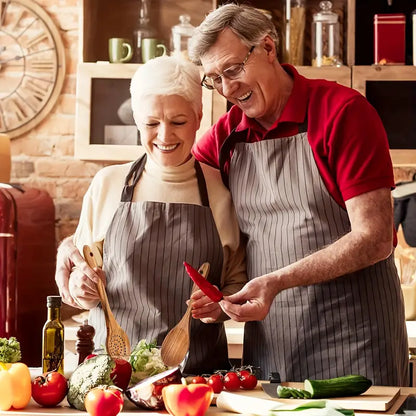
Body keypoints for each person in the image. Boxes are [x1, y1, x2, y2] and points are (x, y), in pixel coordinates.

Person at [188, 3, 408, 385]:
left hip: (356, 343)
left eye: (234, 69)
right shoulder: (224, 138)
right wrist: (79, 244)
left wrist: (276, 281)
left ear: (269, 49)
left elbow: (374, 239)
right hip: (273, 349)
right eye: (214, 79)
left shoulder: (343, 114)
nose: (227, 89)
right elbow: (162, 179)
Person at [55, 55, 246, 375]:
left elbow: (236, 287)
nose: (165, 136)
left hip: (196, 381)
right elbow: (82, 280)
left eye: (178, 121)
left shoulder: (222, 191)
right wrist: (81, 288)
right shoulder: (107, 185)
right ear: (136, 120)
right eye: (152, 123)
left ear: (199, 116)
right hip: (111, 377)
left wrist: (220, 307)